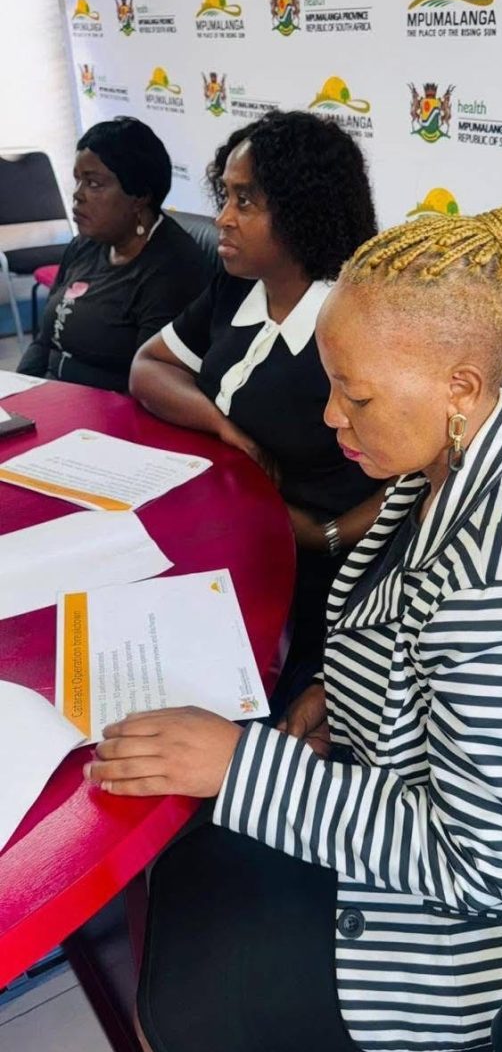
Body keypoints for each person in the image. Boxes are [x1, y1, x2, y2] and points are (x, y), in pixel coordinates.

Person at [87, 203, 502, 1052]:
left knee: (186, 1000)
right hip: (446, 834)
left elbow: (482, 865)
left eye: (356, 394)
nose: (331, 418)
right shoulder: (456, 451)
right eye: (331, 384)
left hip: (491, 947)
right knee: (193, 883)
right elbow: (410, 631)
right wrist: (333, 693)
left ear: (461, 384)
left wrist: (240, 764)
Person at [129, 110, 383, 688]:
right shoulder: (238, 286)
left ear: (301, 213)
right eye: (226, 197)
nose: (222, 219)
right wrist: (222, 425)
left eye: (245, 202)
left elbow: (425, 470)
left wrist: (330, 534)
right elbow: (148, 367)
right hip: (231, 527)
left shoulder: (359, 321)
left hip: (321, 577)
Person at [18, 117, 210, 392]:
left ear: (139, 196)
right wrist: (21, 396)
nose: (78, 195)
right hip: (53, 399)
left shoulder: (174, 269)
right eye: (78, 181)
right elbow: (42, 342)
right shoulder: (85, 245)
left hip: (107, 420)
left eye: (94, 184)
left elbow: (150, 384)